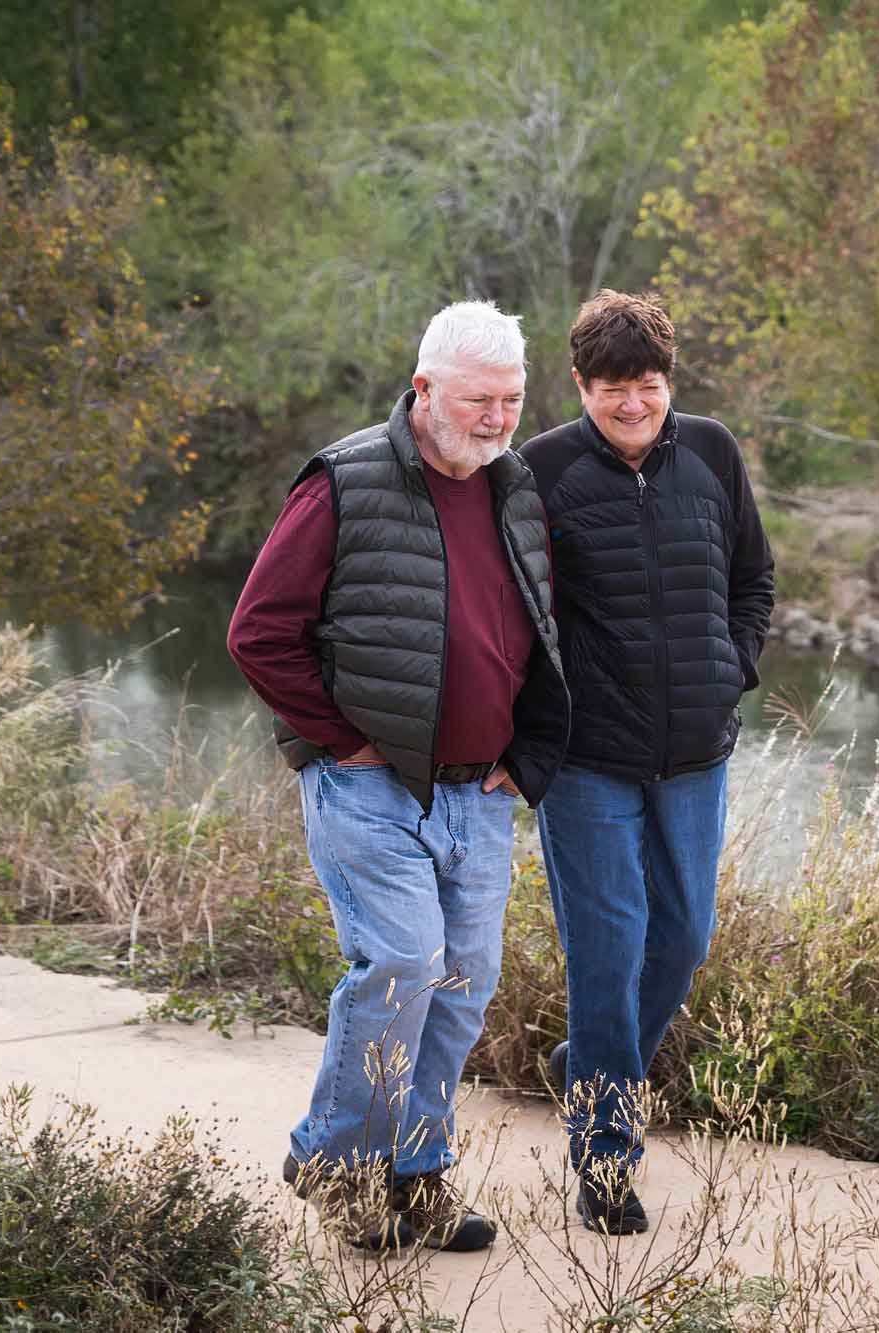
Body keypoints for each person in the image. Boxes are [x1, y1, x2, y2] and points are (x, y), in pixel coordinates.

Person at [226, 300, 568, 1252]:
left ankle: (415, 1172)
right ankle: (338, 1162)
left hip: (480, 793)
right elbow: (258, 633)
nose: (498, 419)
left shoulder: (516, 488)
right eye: (477, 400)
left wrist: (529, 756)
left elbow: (544, 634)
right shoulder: (344, 481)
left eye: (512, 399)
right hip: (370, 791)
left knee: (462, 986)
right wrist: (340, 740)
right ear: (423, 390)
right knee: (402, 963)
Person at [518, 290, 775, 1234]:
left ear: (672, 381)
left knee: (685, 939)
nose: (635, 405)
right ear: (580, 385)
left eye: (650, 385)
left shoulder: (711, 451)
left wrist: (731, 667)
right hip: (589, 761)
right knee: (608, 954)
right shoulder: (537, 470)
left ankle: (586, 1059)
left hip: (697, 752)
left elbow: (754, 578)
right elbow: (518, 615)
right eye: (614, 389)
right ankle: (606, 1162)